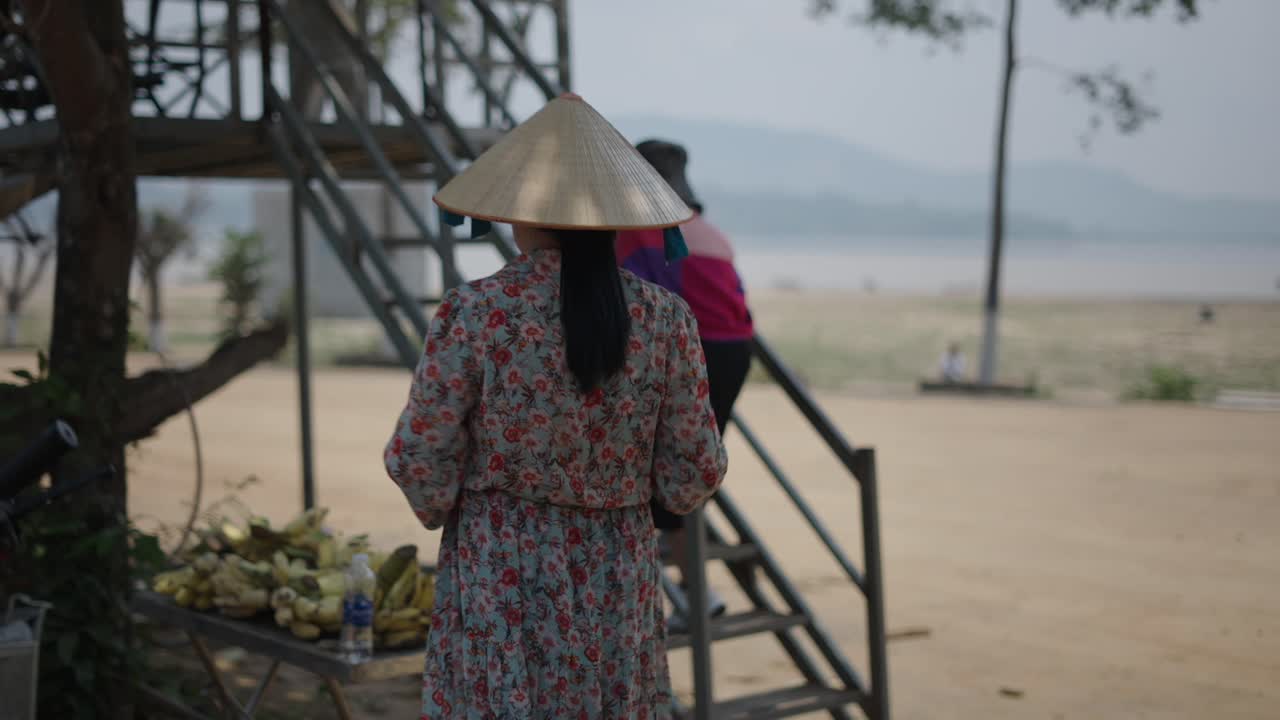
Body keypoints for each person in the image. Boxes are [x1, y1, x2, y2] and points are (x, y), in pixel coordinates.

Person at [385, 94, 727, 718]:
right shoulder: (667, 318)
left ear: (520, 210)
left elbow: (420, 454)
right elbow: (694, 472)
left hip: (500, 568)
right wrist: (625, 496)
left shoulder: (477, 311)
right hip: (619, 570)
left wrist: (455, 506)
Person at [614, 139, 753, 630]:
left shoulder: (642, 236)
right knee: (688, 469)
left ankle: (680, 590)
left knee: (654, 473)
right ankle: (697, 588)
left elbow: (647, 303)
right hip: (736, 350)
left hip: (694, 351)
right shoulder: (712, 234)